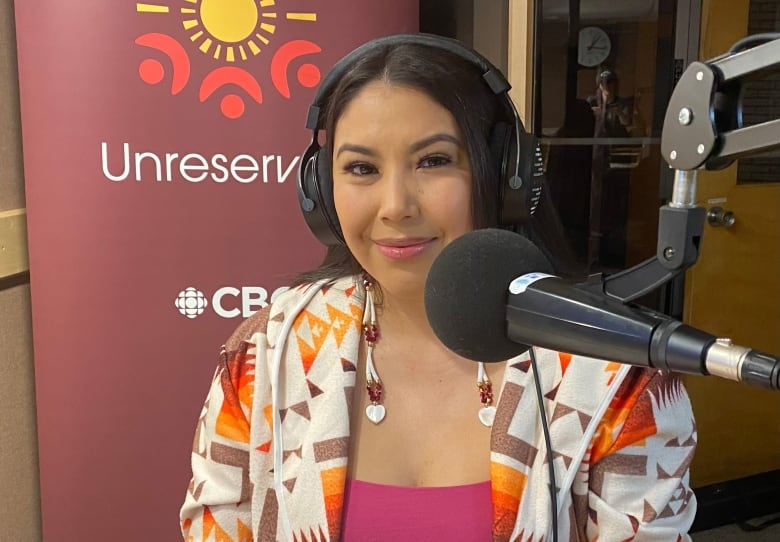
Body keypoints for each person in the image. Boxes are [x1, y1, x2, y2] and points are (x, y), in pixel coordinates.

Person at [180, 34, 697, 541]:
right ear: (321, 192)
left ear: (503, 176)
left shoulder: (610, 374)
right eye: (361, 168)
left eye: (433, 161)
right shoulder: (268, 350)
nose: (395, 205)